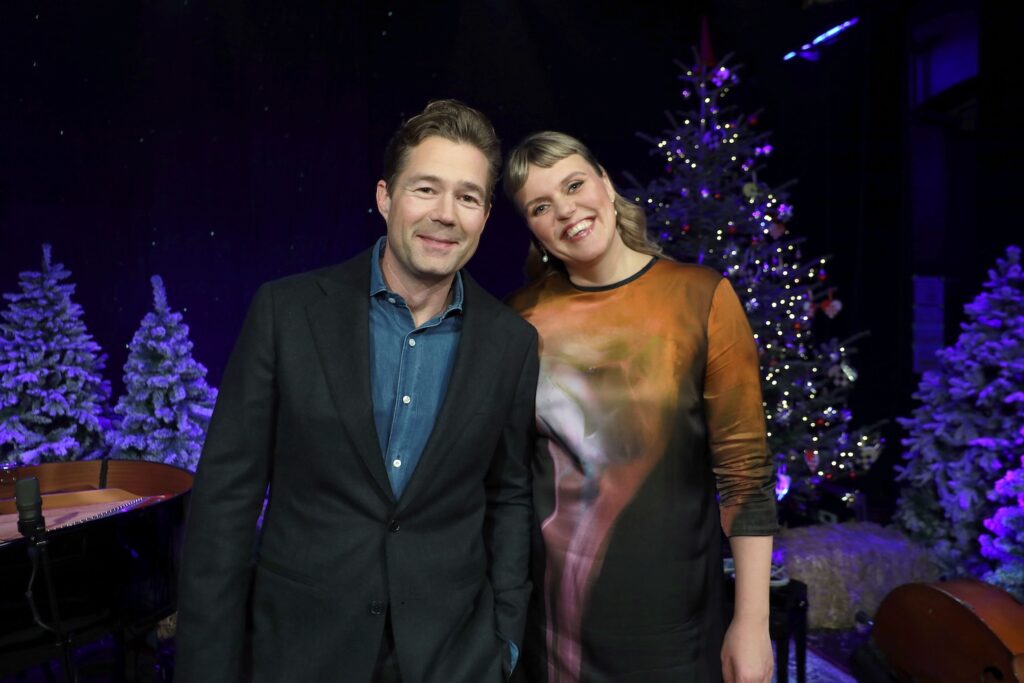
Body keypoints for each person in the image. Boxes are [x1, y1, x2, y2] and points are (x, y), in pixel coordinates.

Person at [175, 100, 539, 683]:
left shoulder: (511, 342)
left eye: (467, 197)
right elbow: (226, 501)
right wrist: (208, 666)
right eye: (426, 189)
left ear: (485, 216)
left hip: (454, 657)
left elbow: (509, 496)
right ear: (385, 197)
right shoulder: (287, 312)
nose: (445, 214)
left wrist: (506, 639)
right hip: (301, 651)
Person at [503, 131, 778, 683]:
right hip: (557, 633)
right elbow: (507, 483)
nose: (566, 210)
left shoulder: (701, 297)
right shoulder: (518, 322)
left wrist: (752, 622)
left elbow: (744, 473)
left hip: (676, 627)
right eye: (540, 206)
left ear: (605, 184)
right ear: (532, 228)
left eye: (574, 185)